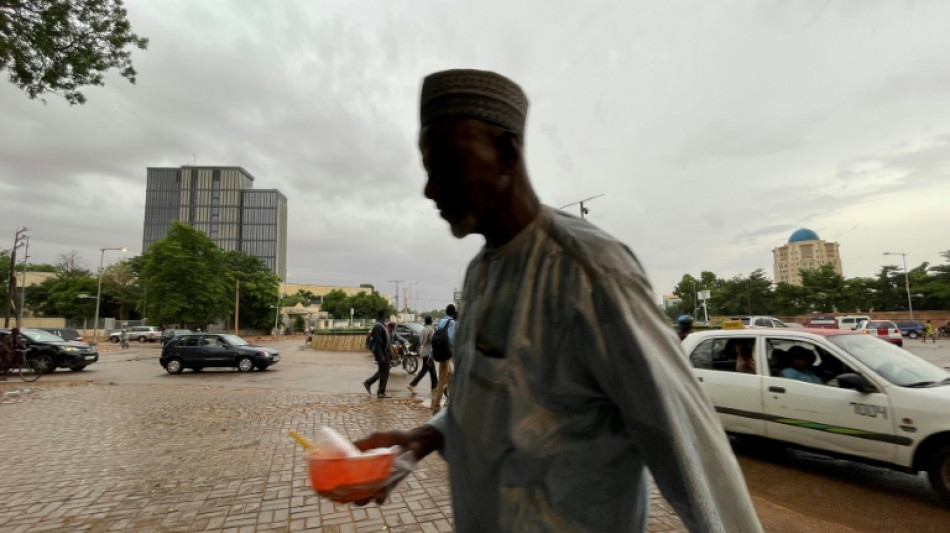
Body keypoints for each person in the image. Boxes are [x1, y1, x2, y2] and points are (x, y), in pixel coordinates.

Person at [351, 69, 761, 531]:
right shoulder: (480, 272)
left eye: (448, 165)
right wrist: (420, 439)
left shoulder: (592, 272)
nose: (430, 188)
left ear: (506, 152)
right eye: (428, 171)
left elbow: (692, 452)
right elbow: (482, 404)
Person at [429, 304, 457, 413]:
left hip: (440, 352)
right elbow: (450, 339)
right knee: (442, 380)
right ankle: (436, 407)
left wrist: (431, 355)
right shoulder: (452, 322)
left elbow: (435, 338)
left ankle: (452, 401)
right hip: (446, 354)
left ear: (446, 312)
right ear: (453, 313)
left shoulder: (441, 322)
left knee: (450, 376)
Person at [362, 311, 392, 398]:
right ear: (381, 316)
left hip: (384, 352)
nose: (384, 318)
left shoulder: (382, 326)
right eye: (384, 316)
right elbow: (378, 342)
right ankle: (380, 392)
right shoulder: (378, 326)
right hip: (381, 353)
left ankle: (368, 383)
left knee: (383, 371)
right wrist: (381, 356)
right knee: (384, 372)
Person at [408, 315, 436, 395]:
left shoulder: (423, 330)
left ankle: (435, 387)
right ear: (431, 321)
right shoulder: (431, 329)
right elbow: (432, 341)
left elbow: (420, 341)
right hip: (428, 353)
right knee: (425, 369)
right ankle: (412, 384)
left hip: (423, 351)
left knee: (432, 370)